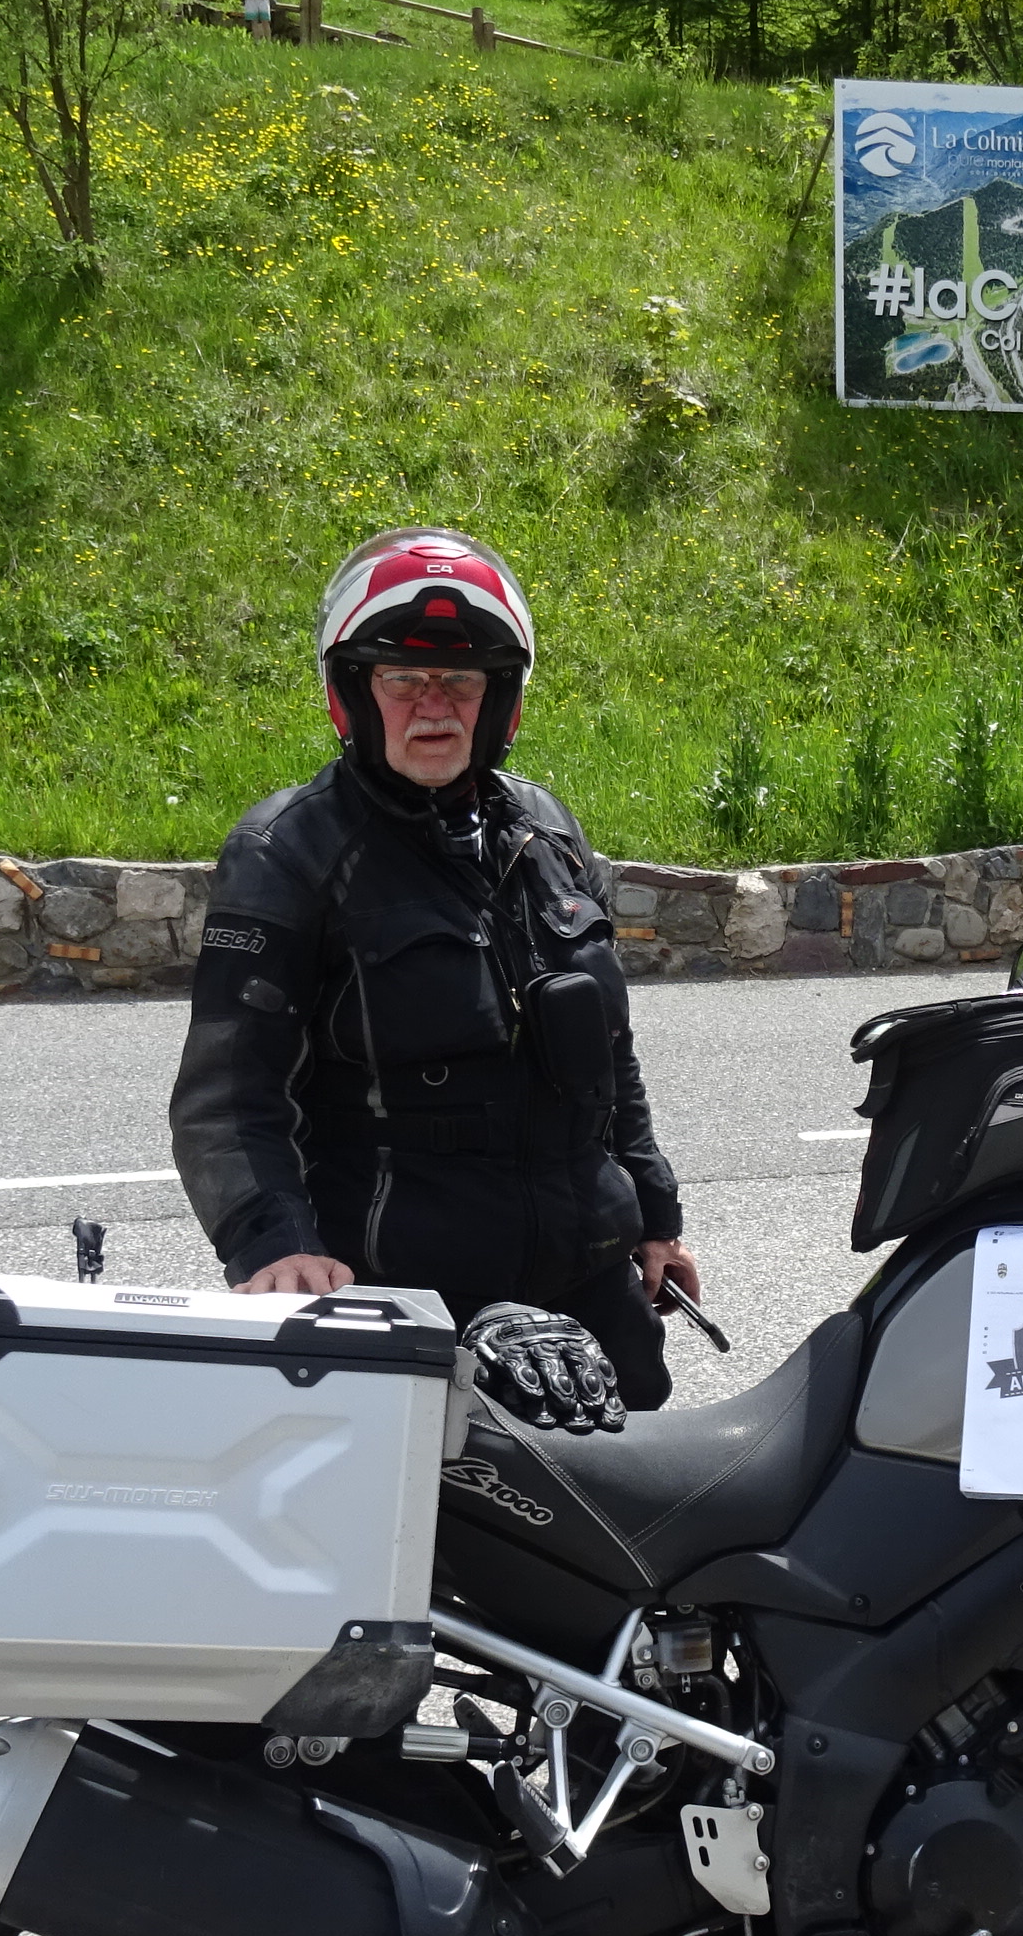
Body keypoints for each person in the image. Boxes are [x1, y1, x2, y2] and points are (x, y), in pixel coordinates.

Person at [171, 528, 696, 1419]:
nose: (434, 706)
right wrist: (274, 1243)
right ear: (353, 692)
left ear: (501, 699)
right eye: (403, 679)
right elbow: (227, 1096)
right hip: (410, 1297)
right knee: (432, 1509)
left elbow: (606, 1054)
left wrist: (654, 1215)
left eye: (461, 682)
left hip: (586, 1282)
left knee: (632, 1494)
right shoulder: (288, 852)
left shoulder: (546, 831)